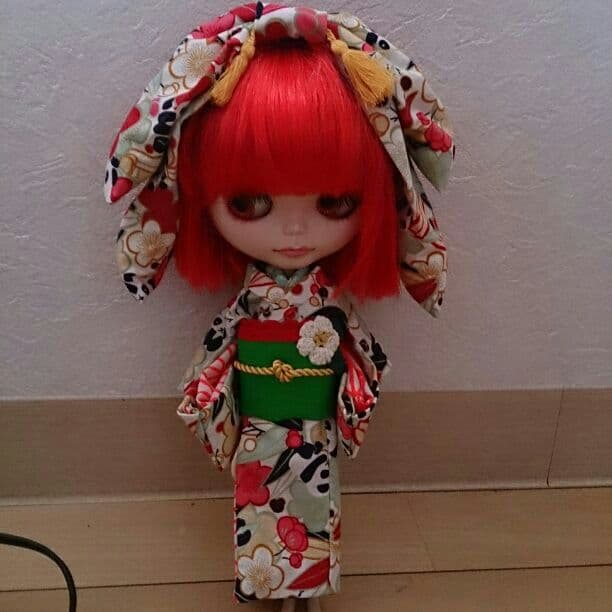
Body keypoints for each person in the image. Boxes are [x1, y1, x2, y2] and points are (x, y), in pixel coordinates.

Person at [104, 4, 454, 609]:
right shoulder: (251, 300)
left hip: (313, 427)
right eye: (249, 204)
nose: (294, 231)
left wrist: (356, 386)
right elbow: (221, 346)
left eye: (334, 203)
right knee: (257, 502)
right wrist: (208, 391)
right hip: (260, 429)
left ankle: (309, 589)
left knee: (318, 502)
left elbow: (357, 347)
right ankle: (263, 581)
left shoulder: (325, 300)